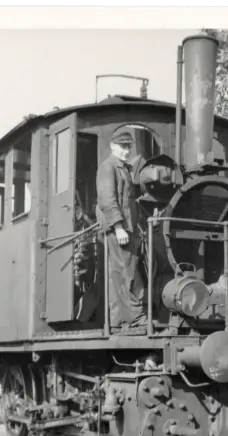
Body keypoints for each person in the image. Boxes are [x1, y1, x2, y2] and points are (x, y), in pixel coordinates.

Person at [95, 130, 147, 328]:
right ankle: (134, 318)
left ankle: (121, 318)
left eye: (129, 147)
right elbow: (107, 199)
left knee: (125, 272)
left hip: (128, 227)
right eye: (123, 146)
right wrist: (118, 227)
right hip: (119, 228)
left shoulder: (124, 168)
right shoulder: (108, 167)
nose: (126, 151)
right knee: (125, 272)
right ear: (112, 146)